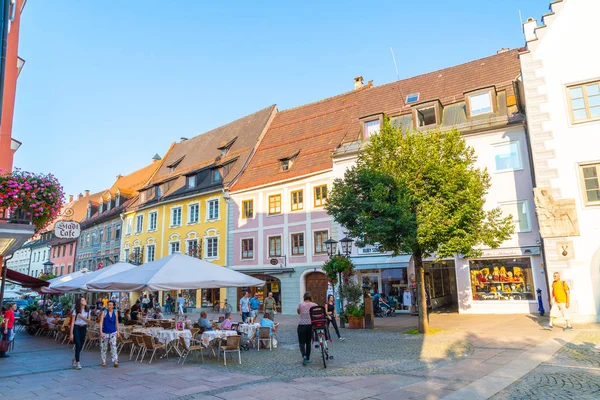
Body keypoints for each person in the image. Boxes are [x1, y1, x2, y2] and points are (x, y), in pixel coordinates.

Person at [70, 297, 92, 370]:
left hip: (83, 328)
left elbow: (89, 321)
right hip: (76, 327)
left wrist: (81, 317)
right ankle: (78, 363)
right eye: (83, 300)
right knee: (78, 344)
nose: (85, 301)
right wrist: (71, 334)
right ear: (79, 302)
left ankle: (75, 359)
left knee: (81, 345)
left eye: (85, 300)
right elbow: (72, 322)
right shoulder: (75, 311)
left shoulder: (88, 310)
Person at [297, 292, 318, 366]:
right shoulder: (314, 305)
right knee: (308, 342)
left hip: (301, 325)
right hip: (310, 325)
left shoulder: (300, 304)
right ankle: (308, 358)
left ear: (304, 297)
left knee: (301, 343)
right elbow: (317, 313)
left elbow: (298, 312)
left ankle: (304, 356)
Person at [98, 300, 120, 367]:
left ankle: (115, 360)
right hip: (105, 332)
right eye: (108, 305)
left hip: (113, 332)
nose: (109, 306)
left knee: (113, 346)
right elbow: (101, 322)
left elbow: (116, 322)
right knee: (104, 347)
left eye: (111, 305)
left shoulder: (115, 312)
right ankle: (103, 361)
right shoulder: (104, 312)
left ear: (113, 306)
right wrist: (101, 332)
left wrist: (118, 331)